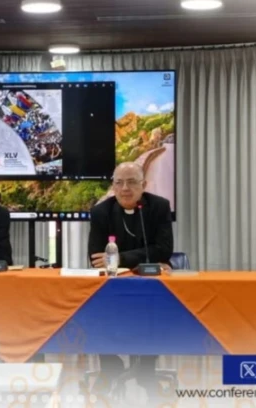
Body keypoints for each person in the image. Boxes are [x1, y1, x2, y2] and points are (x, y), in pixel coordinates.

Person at [87, 162, 174, 399]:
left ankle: (147, 366)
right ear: (113, 186)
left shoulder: (159, 207)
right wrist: (143, 258)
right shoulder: (101, 212)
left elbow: (164, 250)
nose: (125, 188)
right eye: (119, 183)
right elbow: (96, 258)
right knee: (95, 303)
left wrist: (121, 258)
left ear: (143, 185)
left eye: (132, 182)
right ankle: (109, 364)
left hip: (151, 283)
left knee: (155, 304)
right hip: (114, 284)